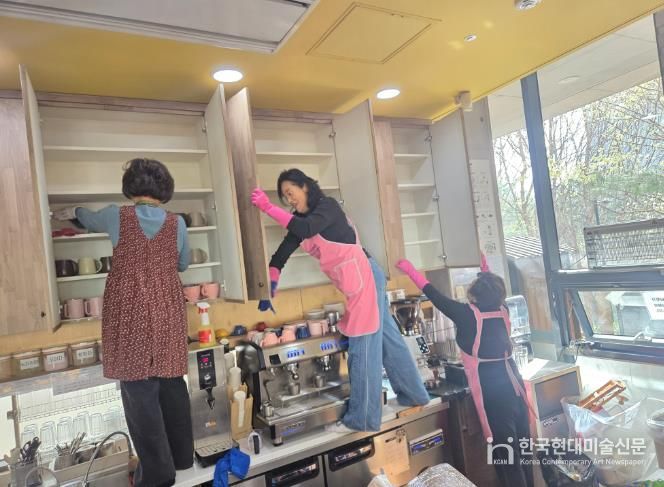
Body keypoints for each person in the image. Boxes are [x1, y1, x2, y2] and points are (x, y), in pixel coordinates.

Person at [250, 168, 430, 433]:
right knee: (388, 340)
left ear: (305, 186)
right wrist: (272, 281)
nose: (288, 199)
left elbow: (306, 228)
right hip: (364, 279)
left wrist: (267, 208)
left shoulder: (327, 207)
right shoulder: (301, 220)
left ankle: (361, 419)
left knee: (362, 347)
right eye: (284, 197)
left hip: (365, 278)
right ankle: (414, 395)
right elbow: (282, 253)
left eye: (290, 192)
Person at [53, 158, 193, 487]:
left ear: (131, 187)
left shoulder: (116, 215)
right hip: (167, 308)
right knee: (171, 381)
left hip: (130, 310)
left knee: (139, 389)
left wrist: (67, 211)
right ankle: (182, 458)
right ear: (164, 189)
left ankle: (158, 475)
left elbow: (85, 217)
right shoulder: (177, 223)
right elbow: (183, 264)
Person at [396, 256, 533, 487]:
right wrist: (484, 266)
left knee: (507, 458)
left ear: (475, 295)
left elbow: (435, 296)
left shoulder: (467, 314)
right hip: (515, 386)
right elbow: (490, 286)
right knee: (523, 451)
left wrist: (410, 270)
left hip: (494, 393)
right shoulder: (503, 309)